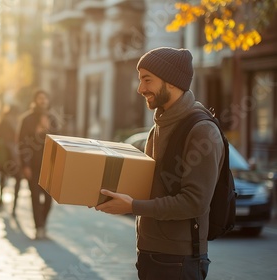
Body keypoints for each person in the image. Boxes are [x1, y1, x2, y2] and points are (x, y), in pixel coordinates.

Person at [94, 47, 224, 280]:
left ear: (172, 82)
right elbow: (152, 187)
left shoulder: (202, 130)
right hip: (151, 252)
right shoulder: (159, 127)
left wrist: (133, 207)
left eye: (147, 80)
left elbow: (195, 202)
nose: (140, 89)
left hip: (179, 259)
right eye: (140, 80)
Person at [18, 89, 59, 239]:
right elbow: (22, 144)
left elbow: (59, 142)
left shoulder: (52, 119)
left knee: (48, 200)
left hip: (49, 165)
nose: (42, 101)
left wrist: (47, 129)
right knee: (35, 197)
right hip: (33, 165)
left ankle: (42, 224)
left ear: (48, 101)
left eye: (45, 98)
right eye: (39, 98)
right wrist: (25, 165)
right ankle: (39, 228)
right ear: (35, 101)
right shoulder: (27, 119)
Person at [0, 104, 22, 214]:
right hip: (13, 155)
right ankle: (14, 206)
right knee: (17, 179)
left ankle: (1, 200)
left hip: (3, 155)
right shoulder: (15, 122)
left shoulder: (2, 121)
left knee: (2, 178)